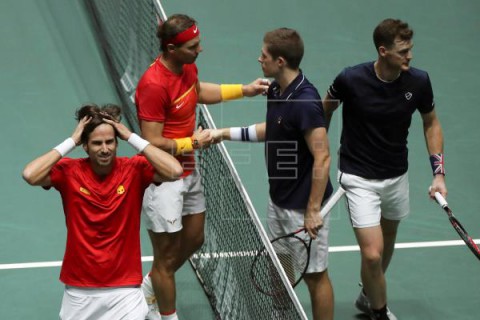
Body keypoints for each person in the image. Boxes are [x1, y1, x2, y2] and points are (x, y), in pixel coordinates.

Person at [134, 14, 270, 320]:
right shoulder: (153, 85)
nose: (200, 49)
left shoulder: (187, 66)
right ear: (171, 48)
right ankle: (164, 314)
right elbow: (151, 140)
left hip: (188, 170)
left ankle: (152, 282)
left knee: (195, 238)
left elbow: (197, 91)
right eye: (193, 46)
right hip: (162, 178)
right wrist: (190, 143)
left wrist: (244, 90)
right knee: (166, 257)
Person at [322, 18, 447, 320]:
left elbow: (431, 123)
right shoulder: (350, 79)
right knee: (373, 254)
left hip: (395, 176)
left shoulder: (418, 81)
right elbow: (326, 107)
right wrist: (319, 154)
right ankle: (379, 311)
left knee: (387, 241)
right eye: (403, 51)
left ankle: (368, 295)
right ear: (383, 51)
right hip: (358, 177)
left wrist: (438, 173)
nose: (410, 56)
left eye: (410, 49)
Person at [210, 28, 334, 320]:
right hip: (278, 197)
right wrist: (224, 133)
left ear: (280, 61)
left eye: (263, 55)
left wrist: (314, 209)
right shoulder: (277, 89)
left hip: (304, 207)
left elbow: (323, 156)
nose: (258, 59)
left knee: (316, 277)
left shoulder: (305, 101)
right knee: (278, 264)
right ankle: (280, 315)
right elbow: (274, 129)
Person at [22, 104, 183, 320]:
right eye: (97, 143)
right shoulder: (68, 172)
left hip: (125, 289)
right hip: (80, 290)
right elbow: (30, 174)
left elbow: (175, 171)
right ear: (85, 146)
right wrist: (71, 140)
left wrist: (131, 136)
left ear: (117, 142)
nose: (105, 149)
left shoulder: (135, 169)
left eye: (110, 142)